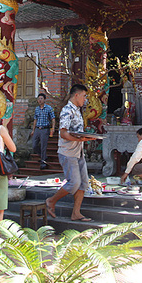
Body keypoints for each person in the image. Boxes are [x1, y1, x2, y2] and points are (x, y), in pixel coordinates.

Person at [45, 84, 95, 222]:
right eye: (84, 96)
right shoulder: (67, 110)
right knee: (74, 183)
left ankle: (76, 213)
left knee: (84, 183)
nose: (85, 99)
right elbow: (63, 133)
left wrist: (84, 138)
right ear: (77, 95)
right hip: (68, 152)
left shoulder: (78, 110)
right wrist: (82, 138)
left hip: (78, 152)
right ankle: (51, 200)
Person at [30, 93, 55, 170]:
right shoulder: (37, 109)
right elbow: (35, 119)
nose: (39, 100)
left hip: (45, 129)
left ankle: (43, 162)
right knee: (34, 145)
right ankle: (43, 157)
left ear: (44, 100)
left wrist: (52, 128)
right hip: (37, 128)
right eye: (38, 99)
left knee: (43, 146)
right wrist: (33, 130)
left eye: (41, 99)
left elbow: (53, 119)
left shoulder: (49, 108)